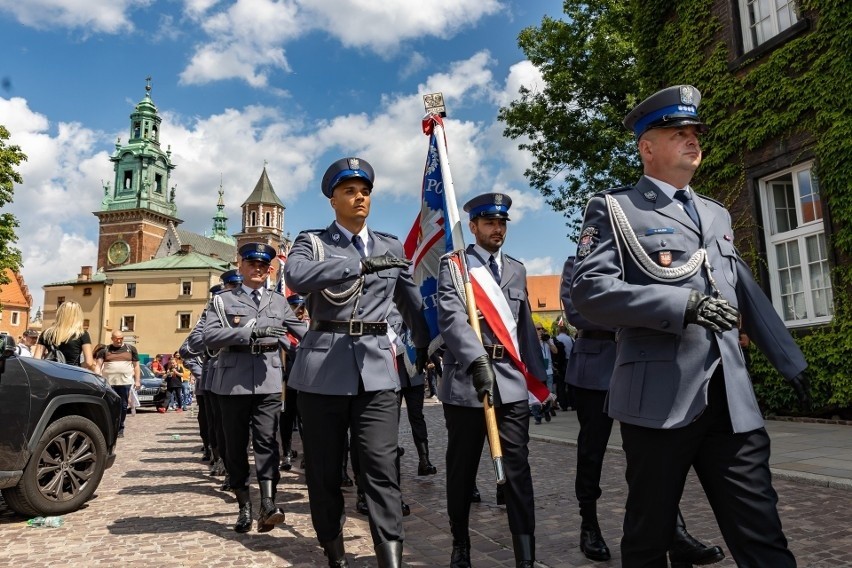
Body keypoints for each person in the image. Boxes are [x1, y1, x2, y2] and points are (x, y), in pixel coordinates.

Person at [570, 85, 811, 567]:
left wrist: (790, 360)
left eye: (695, 131)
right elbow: (588, 292)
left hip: (732, 402)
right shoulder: (615, 209)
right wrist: (684, 304)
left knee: (762, 533)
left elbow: (745, 290)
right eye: (677, 132)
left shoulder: (716, 212)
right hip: (659, 400)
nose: (691, 139)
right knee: (649, 535)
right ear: (647, 147)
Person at [285, 156, 429, 568]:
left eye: (364, 190)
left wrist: (430, 347)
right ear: (333, 199)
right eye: (349, 190)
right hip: (322, 369)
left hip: (377, 371)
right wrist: (359, 264)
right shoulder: (311, 243)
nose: (359, 196)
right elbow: (295, 277)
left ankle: (391, 557)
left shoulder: (390, 245)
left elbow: (411, 304)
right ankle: (334, 549)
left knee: (382, 467)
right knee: (325, 471)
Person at [561, 256, 724, 565]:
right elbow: (579, 311)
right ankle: (589, 525)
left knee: (656, 455)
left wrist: (636, 306)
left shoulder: (641, 258)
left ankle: (674, 533)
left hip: (645, 362)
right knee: (592, 450)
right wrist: (644, 310)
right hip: (597, 364)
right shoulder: (579, 262)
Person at [437, 192, 548, 568]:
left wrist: (539, 383)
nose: (497, 229)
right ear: (474, 227)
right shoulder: (455, 265)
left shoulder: (516, 269)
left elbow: (525, 330)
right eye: (489, 223)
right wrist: (476, 360)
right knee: (462, 469)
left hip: (512, 384)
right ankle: (460, 544)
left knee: (518, 470)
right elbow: (452, 320)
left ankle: (525, 556)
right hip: (469, 384)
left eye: (501, 223)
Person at [203, 243, 307, 534]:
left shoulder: (277, 302)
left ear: (270, 270)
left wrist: (337, 336)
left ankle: (268, 504)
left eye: (263, 266)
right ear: (241, 266)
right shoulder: (223, 300)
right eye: (252, 264)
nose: (258, 269)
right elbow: (210, 336)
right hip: (232, 382)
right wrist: (250, 332)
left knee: (266, 443)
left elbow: (302, 333)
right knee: (234, 446)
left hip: (268, 381)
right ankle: (243, 505)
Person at [94, 330, 141, 438]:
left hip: (125, 382)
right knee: (110, 405)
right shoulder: (105, 350)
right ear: (112, 339)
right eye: (117, 338)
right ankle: (110, 427)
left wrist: (137, 380)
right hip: (109, 382)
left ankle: (120, 427)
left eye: (121, 338)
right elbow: (98, 365)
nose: (119, 340)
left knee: (123, 406)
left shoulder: (131, 349)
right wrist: (97, 378)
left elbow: (136, 366)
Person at [278, 293, 307, 472]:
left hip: (304, 382)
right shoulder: (282, 332)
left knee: (304, 420)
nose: (299, 312)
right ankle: (287, 452)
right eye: (296, 308)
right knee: (286, 420)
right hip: (286, 383)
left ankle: (307, 454)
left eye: (302, 309)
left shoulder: (309, 329)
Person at [33, 300, 95, 370]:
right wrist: (77, 367)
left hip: (50, 372)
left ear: (60, 314)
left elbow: (36, 359)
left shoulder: (46, 333)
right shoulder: (82, 334)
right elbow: (89, 362)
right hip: (71, 374)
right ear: (78, 315)